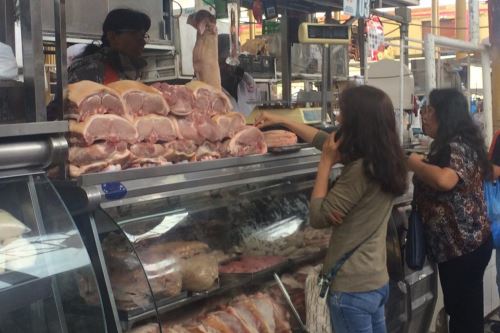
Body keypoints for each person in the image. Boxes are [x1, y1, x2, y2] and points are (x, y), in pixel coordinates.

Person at [256, 85, 408, 333]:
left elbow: (318, 216)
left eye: (342, 113)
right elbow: (322, 140)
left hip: (352, 289)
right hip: (376, 282)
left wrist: (325, 163)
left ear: (358, 122)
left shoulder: (360, 171)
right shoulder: (385, 160)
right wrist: (283, 121)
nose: (337, 118)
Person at [407, 88, 493, 333]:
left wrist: (414, 164)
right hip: (469, 244)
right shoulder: (460, 143)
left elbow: (445, 180)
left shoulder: (455, 146)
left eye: (428, 110)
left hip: (461, 248)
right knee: (467, 314)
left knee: (463, 317)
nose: (423, 116)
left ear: (445, 113)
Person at [67, 8, 151, 84]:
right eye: (135, 34)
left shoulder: (131, 70)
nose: (142, 41)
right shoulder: (90, 70)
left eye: (143, 36)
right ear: (112, 37)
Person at [218, 34, 257, 116]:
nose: (232, 65)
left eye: (236, 57)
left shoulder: (247, 83)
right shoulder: (207, 90)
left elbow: (256, 111)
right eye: (226, 60)